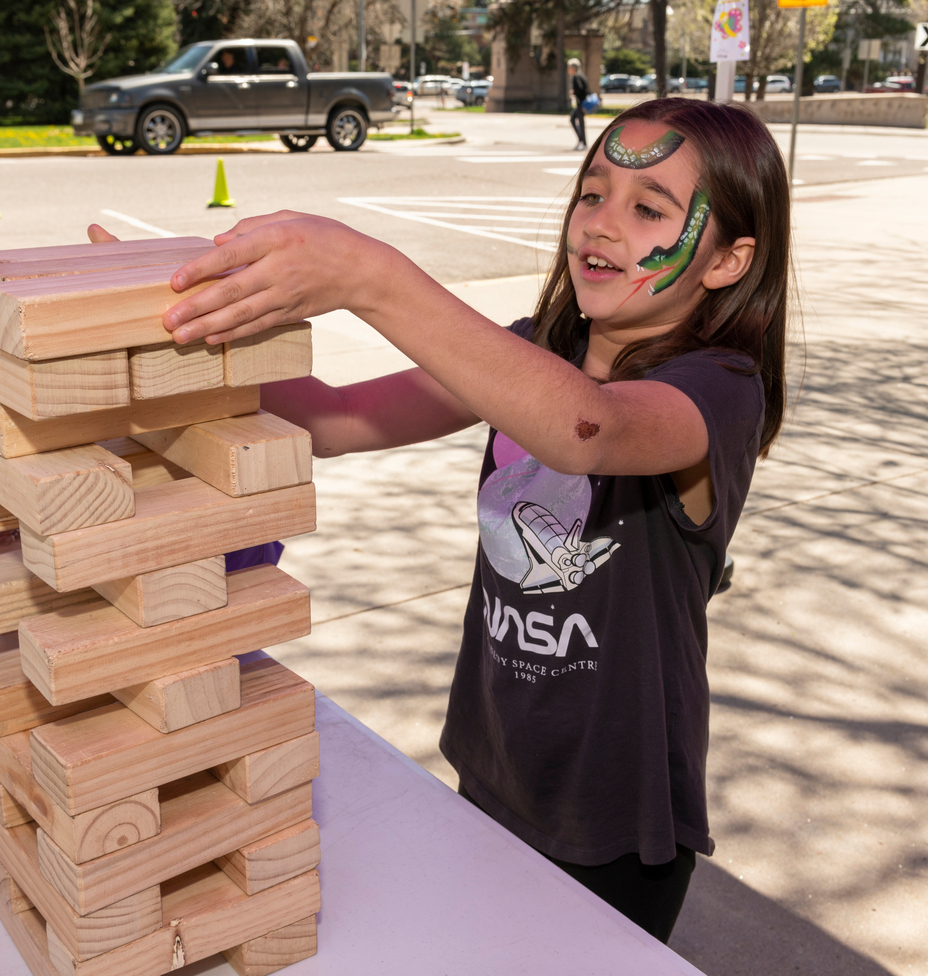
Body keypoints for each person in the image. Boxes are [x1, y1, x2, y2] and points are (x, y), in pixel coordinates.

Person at [89, 98, 789, 943]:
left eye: (649, 210)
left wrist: (370, 277)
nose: (602, 225)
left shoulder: (718, 391)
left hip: (614, 825)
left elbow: (585, 428)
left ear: (727, 260)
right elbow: (339, 421)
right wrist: (157, 337)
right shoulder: (536, 350)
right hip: (494, 769)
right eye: (592, 194)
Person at [569, 58, 589, 151]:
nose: (568, 69)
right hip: (584, 103)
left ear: (573, 68)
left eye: (569, 67)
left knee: (577, 121)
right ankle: (582, 141)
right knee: (576, 120)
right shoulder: (582, 75)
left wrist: (573, 92)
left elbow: (580, 88)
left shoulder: (576, 77)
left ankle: (583, 142)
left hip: (581, 104)